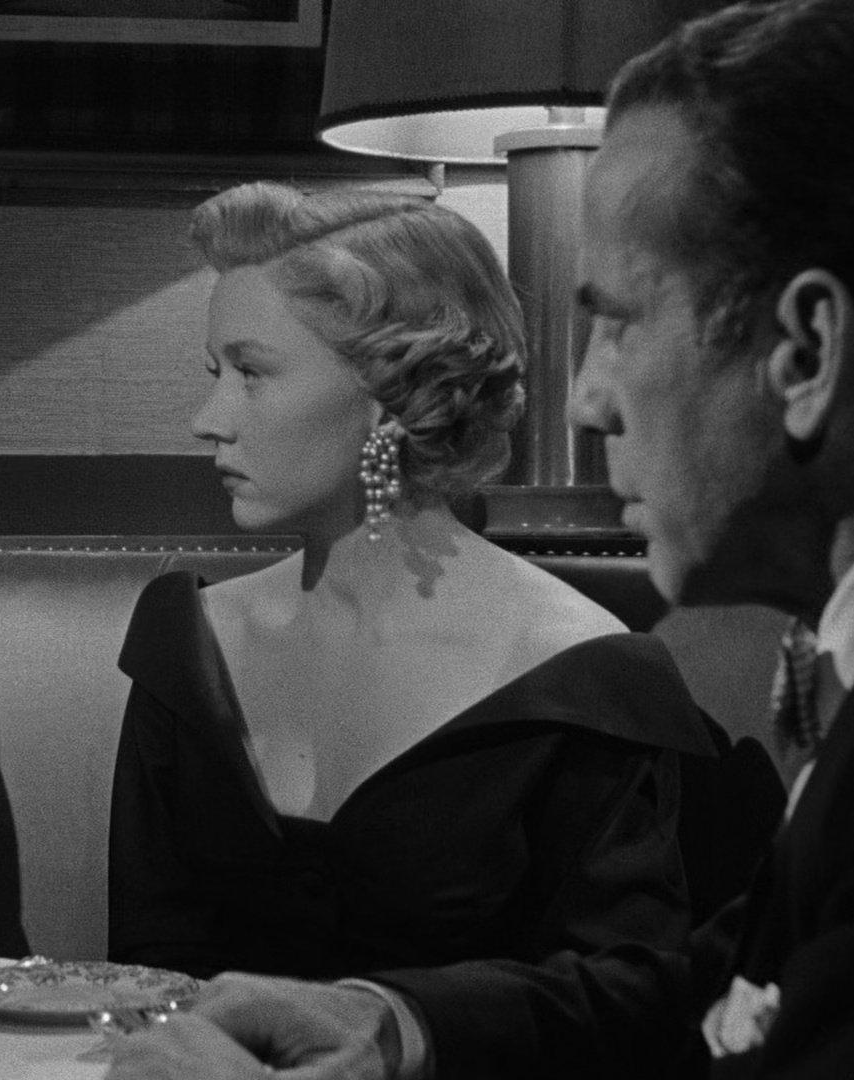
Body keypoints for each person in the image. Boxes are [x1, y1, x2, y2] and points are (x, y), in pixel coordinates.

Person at [107, 0, 854, 1076]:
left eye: (622, 322)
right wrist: (394, 1021)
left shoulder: (597, 673)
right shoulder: (845, 672)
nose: (588, 398)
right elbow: (709, 990)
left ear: (806, 352)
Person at [107, 181, 717, 1076]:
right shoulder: (189, 645)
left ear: (391, 392)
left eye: (252, 372)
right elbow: (143, 976)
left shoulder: (577, 674)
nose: (210, 421)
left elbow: (631, 999)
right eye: (214, 375)